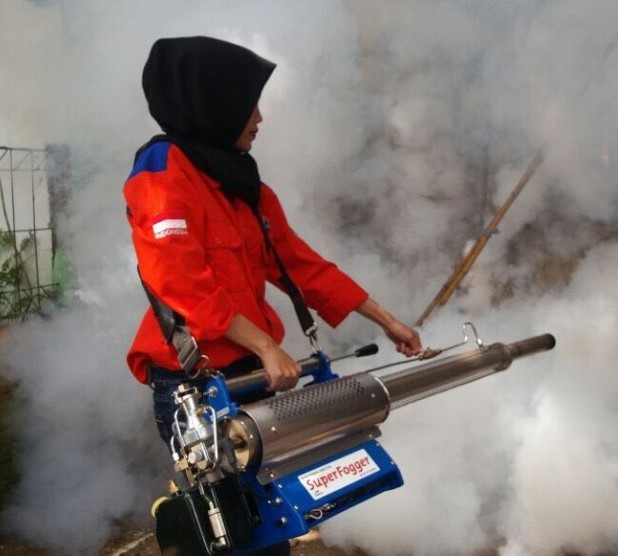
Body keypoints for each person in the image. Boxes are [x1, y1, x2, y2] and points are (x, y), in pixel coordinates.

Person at [124, 36, 422, 447]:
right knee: (228, 502)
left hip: (252, 369)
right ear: (215, 102)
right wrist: (266, 345)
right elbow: (180, 284)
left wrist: (387, 321)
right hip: (194, 380)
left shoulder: (241, 182)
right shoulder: (161, 172)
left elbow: (300, 264)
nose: (259, 118)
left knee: (277, 489)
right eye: (249, 104)